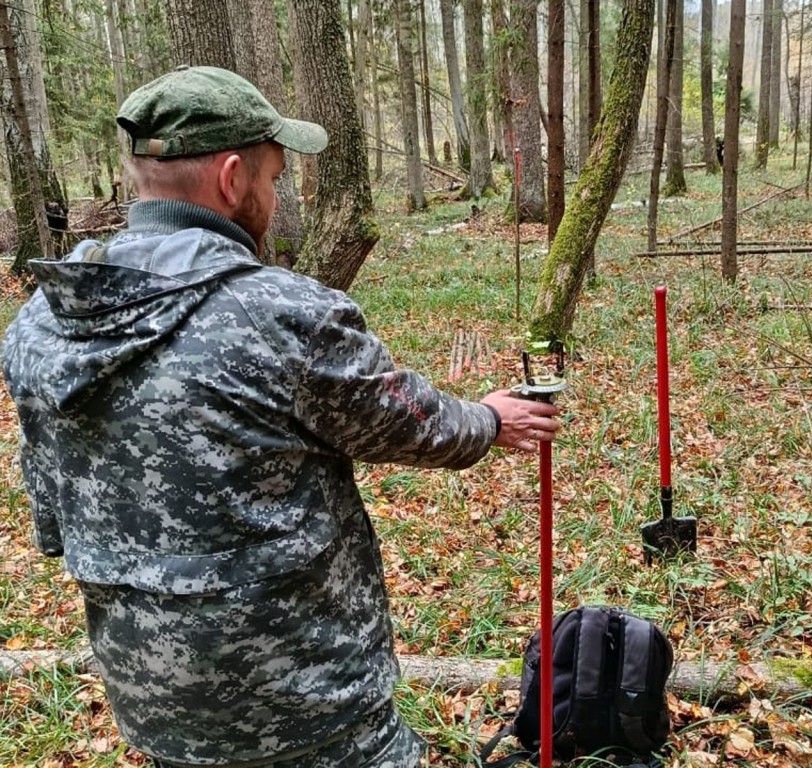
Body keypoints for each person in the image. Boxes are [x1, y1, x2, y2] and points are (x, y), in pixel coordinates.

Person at [1, 66, 561, 768]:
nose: (271, 196)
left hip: (150, 694)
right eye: (272, 179)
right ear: (232, 179)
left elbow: (51, 516)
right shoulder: (281, 315)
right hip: (307, 698)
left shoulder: (41, 322)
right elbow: (405, 421)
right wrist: (488, 418)